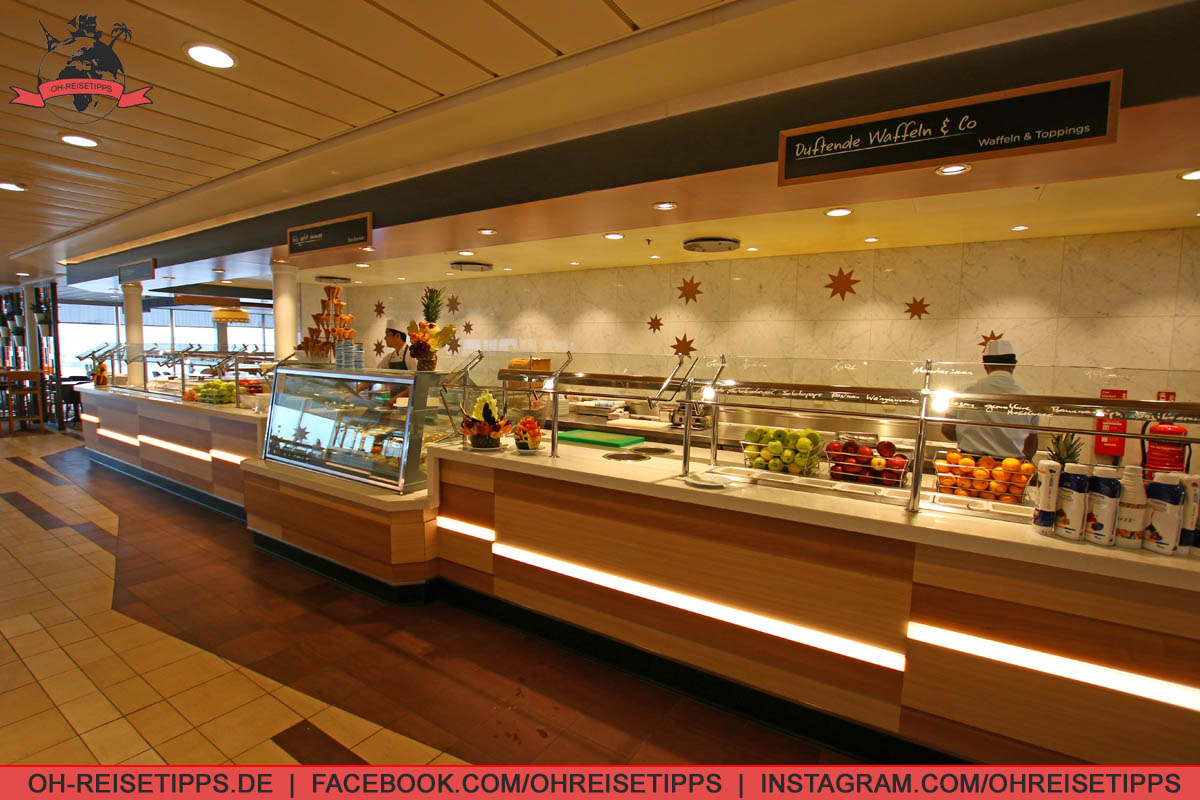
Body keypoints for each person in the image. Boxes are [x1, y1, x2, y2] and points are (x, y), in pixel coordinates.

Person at [940, 339, 1038, 460]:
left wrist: (969, 435)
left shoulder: (964, 391)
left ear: (985, 365)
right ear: (1014, 363)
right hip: (1009, 467)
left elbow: (947, 431)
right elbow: (1031, 445)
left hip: (969, 464)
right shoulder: (1029, 399)